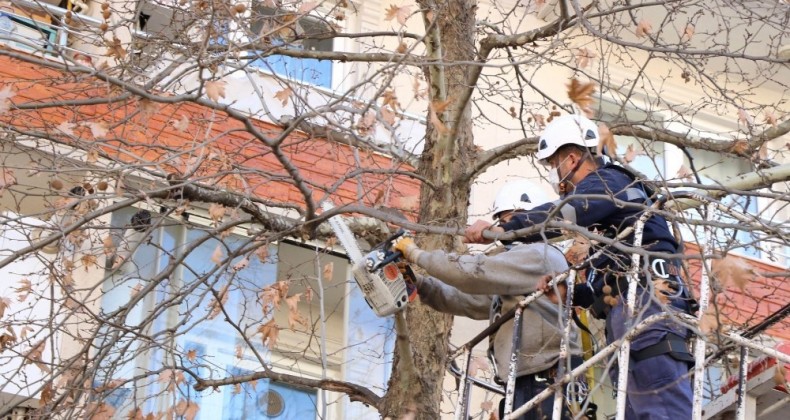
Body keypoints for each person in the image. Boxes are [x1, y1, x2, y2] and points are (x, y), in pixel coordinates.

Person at [464, 114, 694, 420]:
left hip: (652, 300)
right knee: (638, 410)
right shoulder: (607, 225)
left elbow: (563, 214)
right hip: (628, 307)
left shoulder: (609, 184)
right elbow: (607, 285)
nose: (554, 176)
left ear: (571, 158)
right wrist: (574, 294)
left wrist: (504, 230)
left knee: (661, 405)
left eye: (553, 165)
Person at [393, 180, 588, 420]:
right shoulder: (515, 275)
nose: (505, 230)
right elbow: (466, 300)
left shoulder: (540, 254)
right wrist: (421, 285)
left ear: (531, 219)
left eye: (509, 221)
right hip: (525, 381)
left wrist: (416, 254)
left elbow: (473, 272)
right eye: (503, 222)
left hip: (547, 377)